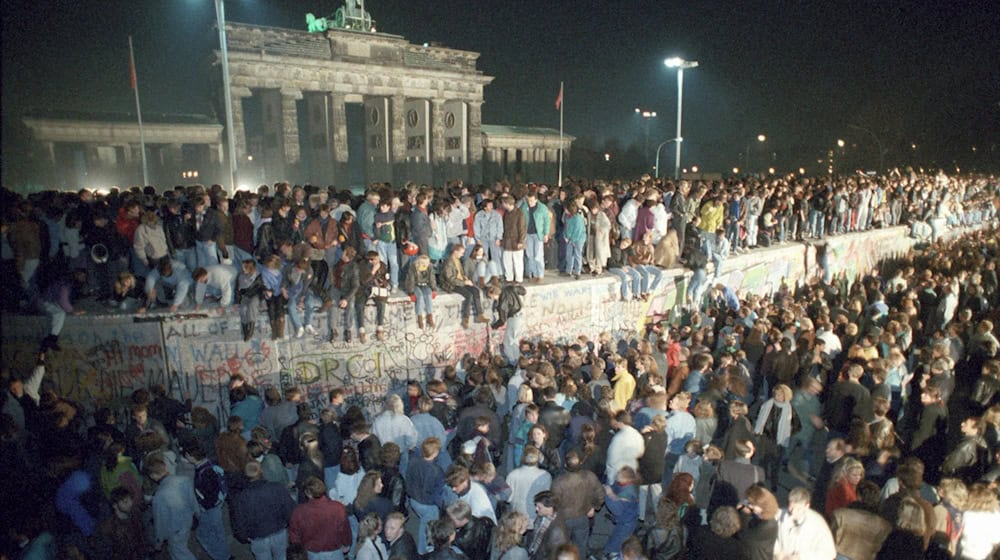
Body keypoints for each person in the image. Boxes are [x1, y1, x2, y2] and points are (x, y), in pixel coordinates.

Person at [232, 461, 297, 560]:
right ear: (261, 471)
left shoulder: (241, 497)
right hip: (278, 531)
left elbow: (239, 520)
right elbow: (290, 509)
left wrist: (243, 536)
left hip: (257, 537)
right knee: (282, 556)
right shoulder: (276, 487)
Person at [181, 440, 230, 560]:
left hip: (209, 508)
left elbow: (209, 495)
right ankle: (224, 554)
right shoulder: (211, 464)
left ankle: (221, 556)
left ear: (190, 456)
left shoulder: (204, 473)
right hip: (217, 505)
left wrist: (202, 507)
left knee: (203, 533)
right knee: (218, 531)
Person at [146, 453, 197, 560]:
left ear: (153, 475)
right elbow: (192, 500)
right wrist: (196, 514)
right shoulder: (184, 480)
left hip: (175, 531)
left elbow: (160, 522)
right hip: (188, 520)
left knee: (181, 555)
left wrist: (159, 541)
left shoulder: (159, 496)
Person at [773, 487, 836, 560]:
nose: (793, 512)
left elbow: (829, 553)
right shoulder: (779, 515)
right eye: (791, 507)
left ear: (807, 506)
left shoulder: (818, 524)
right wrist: (777, 551)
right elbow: (768, 536)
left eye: (798, 509)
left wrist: (801, 557)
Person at [507, 445, 553, 522]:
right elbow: (546, 499)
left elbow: (508, 498)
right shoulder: (546, 476)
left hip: (517, 519)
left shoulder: (512, 475)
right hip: (536, 519)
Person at [603, 466, 640, 560]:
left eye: (618, 477)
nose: (616, 478)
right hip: (626, 518)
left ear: (626, 480)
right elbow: (616, 486)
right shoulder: (625, 483)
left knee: (616, 543)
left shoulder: (628, 493)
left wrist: (609, 494)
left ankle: (614, 556)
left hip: (626, 523)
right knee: (616, 539)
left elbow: (617, 510)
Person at [736, 485, 780, 560]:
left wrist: (743, 511)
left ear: (763, 506)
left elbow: (745, 536)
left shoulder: (769, 525)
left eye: (752, 504)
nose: (749, 506)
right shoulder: (759, 515)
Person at [528, 490, 568, 560]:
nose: (536, 509)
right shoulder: (542, 515)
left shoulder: (557, 530)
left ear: (550, 508)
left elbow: (555, 554)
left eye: (539, 507)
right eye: (536, 506)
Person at [404, 253, 437, 329]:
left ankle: (429, 316)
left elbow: (432, 278)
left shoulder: (430, 267)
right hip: (415, 284)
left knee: (428, 295)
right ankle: (419, 317)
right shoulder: (413, 267)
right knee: (420, 296)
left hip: (425, 284)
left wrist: (434, 289)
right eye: (424, 263)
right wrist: (411, 292)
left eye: (427, 263)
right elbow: (411, 281)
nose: (426, 265)